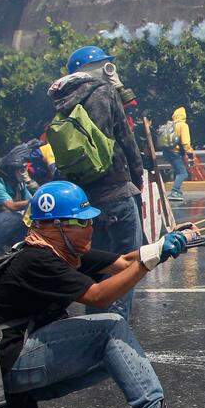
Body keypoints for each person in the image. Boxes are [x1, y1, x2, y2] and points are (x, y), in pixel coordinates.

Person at [0, 180, 205, 408]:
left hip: (14, 365)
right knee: (111, 327)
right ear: (56, 226)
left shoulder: (61, 250)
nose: (90, 228)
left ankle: (23, 399)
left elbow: (122, 262)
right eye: (81, 223)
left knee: (119, 356)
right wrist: (150, 261)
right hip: (11, 364)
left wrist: (163, 245)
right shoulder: (38, 260)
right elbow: (99, 296)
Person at [48, 46, 145, 319]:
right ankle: (115, 333)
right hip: (117, 192)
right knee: (125, 269)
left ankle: (95, 328)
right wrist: (136, 179)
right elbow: (125, 140)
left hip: (86, 201)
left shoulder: (63, 99)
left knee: (98, 268)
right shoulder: (104, 92)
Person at [0, 146, 34, 255]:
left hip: (9, 219)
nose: (22, 172)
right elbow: (11, 206)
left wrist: (31, 184)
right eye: (19, 170)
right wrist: (33, 202)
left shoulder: (20, 184)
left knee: (31, 221)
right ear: (11, 171)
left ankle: (17, 245)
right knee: (15, 218)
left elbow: (31, 200)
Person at [161, 107, 194, 202]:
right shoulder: (183, 125)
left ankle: (177, 191)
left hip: (166, 152)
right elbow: (185, 142)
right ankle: (174, 191)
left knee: (178, 171)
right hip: (175, 152)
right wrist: (189, 152)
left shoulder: (170, 124)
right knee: (183, 173)